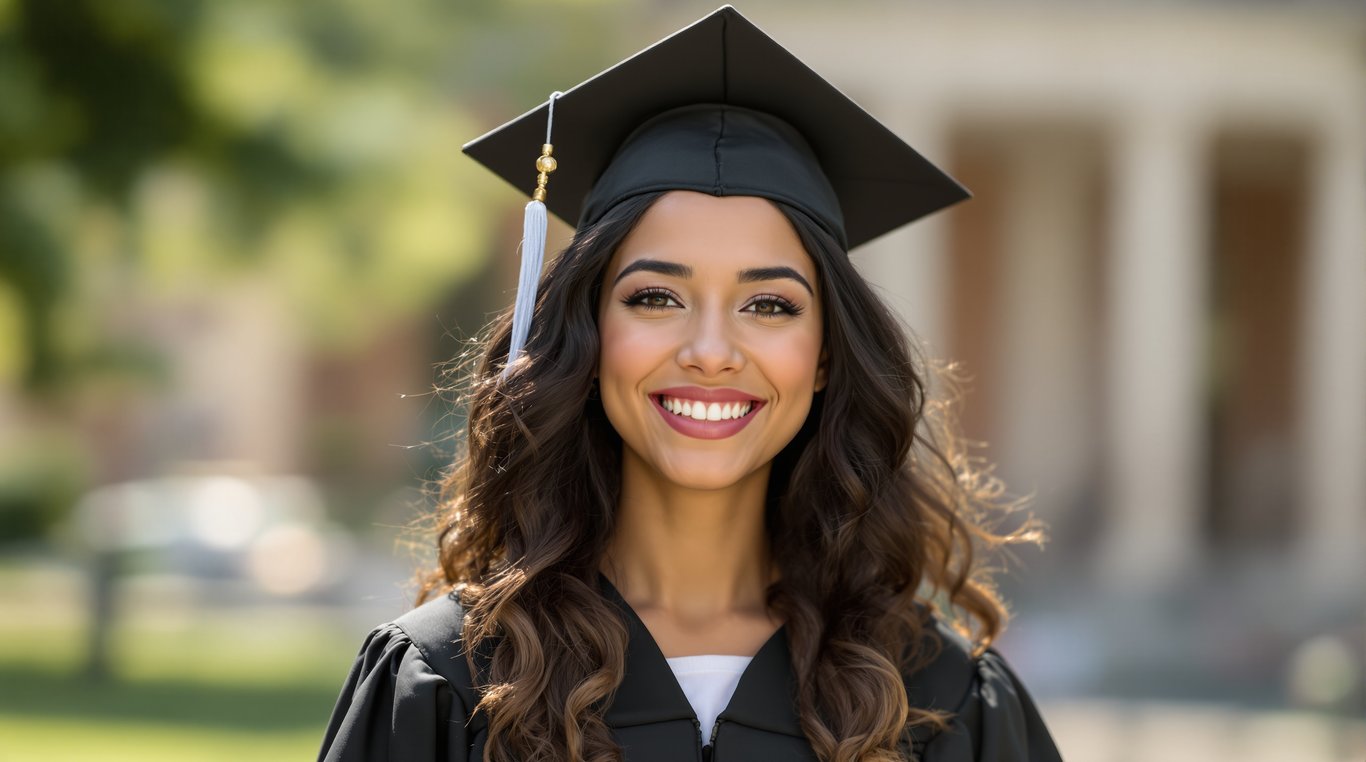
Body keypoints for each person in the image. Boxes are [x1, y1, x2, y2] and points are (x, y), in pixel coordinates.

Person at [320, 6, 1063, 761]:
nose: (711, 352)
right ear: (588, 334)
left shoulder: (939, 698)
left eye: (769, 305)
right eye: (655, 297)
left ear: (826, 356)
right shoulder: (449, 679)